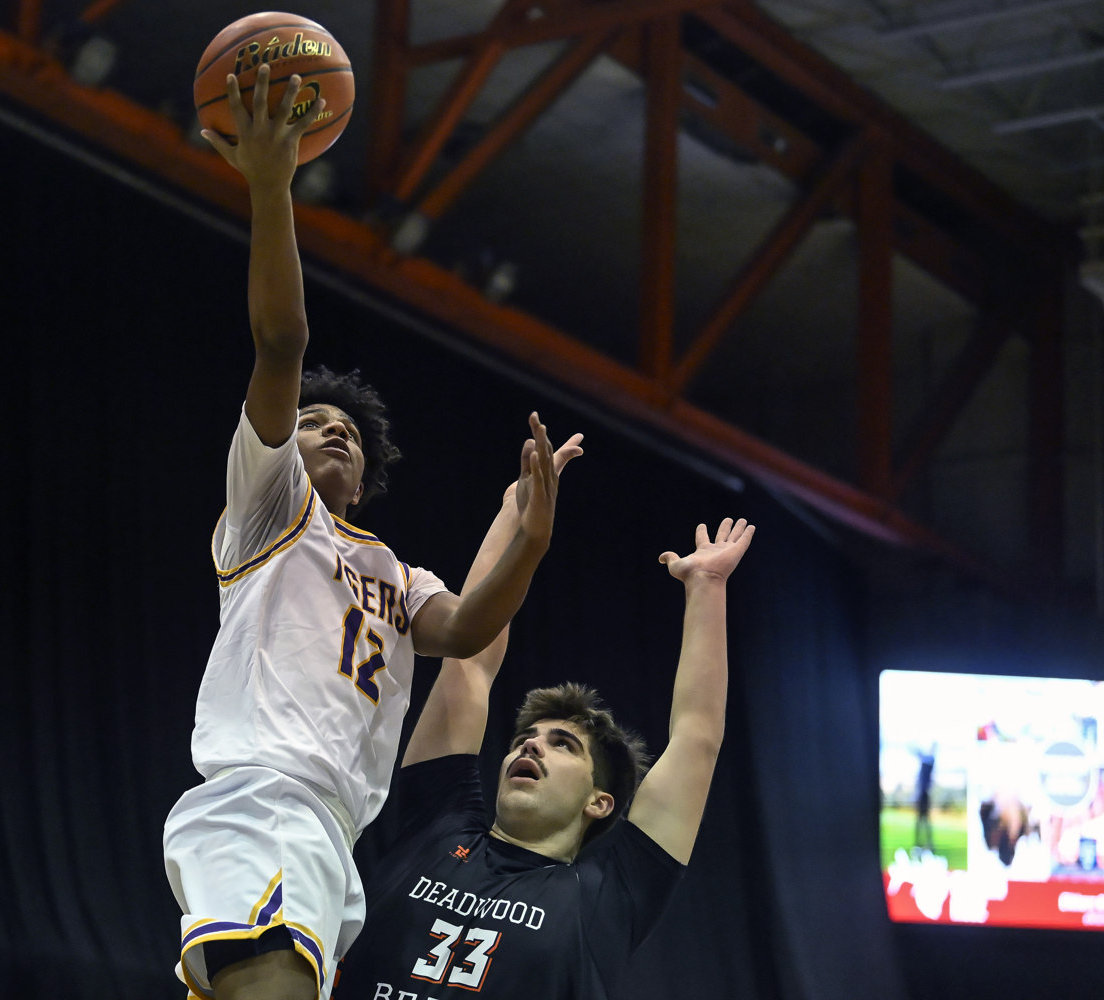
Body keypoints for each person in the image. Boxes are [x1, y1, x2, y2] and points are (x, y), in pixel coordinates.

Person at [163, 64, 578, 1000]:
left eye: (347, 428)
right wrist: (272, 188)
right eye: (312, 422)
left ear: (369, 470)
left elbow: (467, 631)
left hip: (329, 830)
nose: (331, 429)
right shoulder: (270, 509)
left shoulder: (394, 570)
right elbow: (282, 342)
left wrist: (532, 540)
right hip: (265, 799)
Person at [333, 508, 755, 999]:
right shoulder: (437, 823)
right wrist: (516, 508)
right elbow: (469, 660)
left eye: (563, 745)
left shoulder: (609, 895)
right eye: (523, 739)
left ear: (599, 801)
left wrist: (707, 584)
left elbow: (696, 737)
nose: (531, 744)